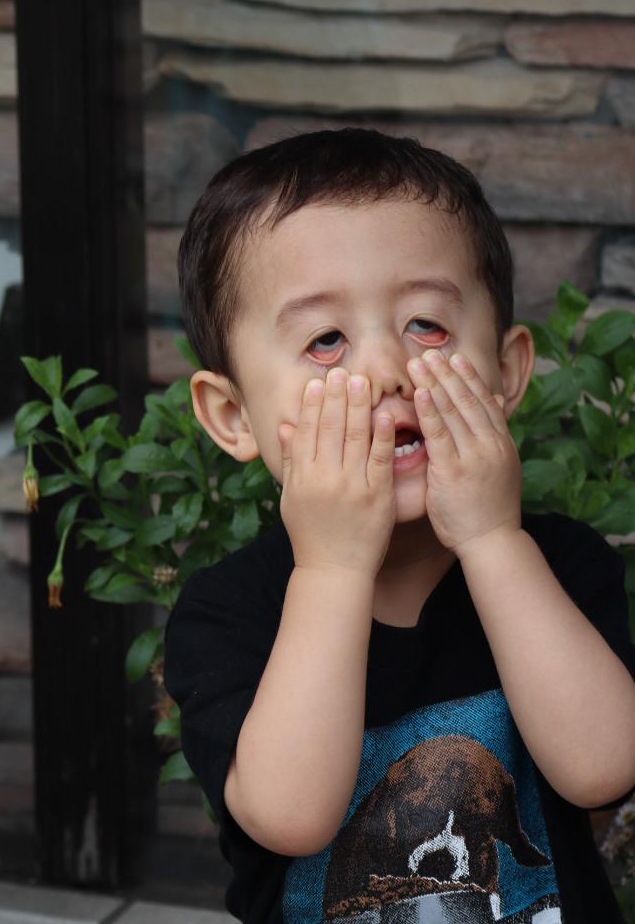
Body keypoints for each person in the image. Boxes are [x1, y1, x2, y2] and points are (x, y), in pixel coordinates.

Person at [164, 128, 635, 921]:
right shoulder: (229, 612)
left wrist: (492, 539)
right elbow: (290, 816)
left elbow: (603, 768)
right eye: (326, 340)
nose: (386, 369)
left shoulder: (559, 565)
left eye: (428, 326)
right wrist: (333, 569)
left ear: (506, 372)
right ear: (234, 416)